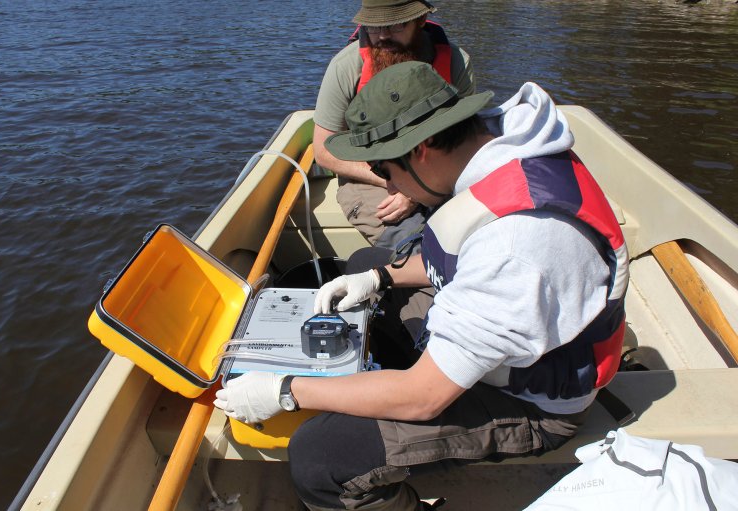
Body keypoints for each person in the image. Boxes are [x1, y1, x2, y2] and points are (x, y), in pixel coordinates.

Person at [214, 62, 630, 510]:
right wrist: (379, 277)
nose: (384, 183)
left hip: (532, 404)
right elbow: (448, 258)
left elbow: (424, 398)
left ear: (425, 147)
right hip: (502, 342)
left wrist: (285, 391)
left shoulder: (514, 247)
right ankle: (376, 380)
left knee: (321, 458)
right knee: (367, 260)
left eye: (383, 168)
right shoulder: (499, 145)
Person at [313, 0, 476, 250]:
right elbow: (323, 152)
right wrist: (400, 184)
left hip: (441, 172)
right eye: (374, 26)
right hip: (372, 178)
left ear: (420, 21)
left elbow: (468, 140)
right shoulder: (345, 66)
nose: (383, 36)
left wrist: (418, 190)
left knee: (475, 237)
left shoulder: (456, 62)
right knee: (417, 247)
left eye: (395, 25)